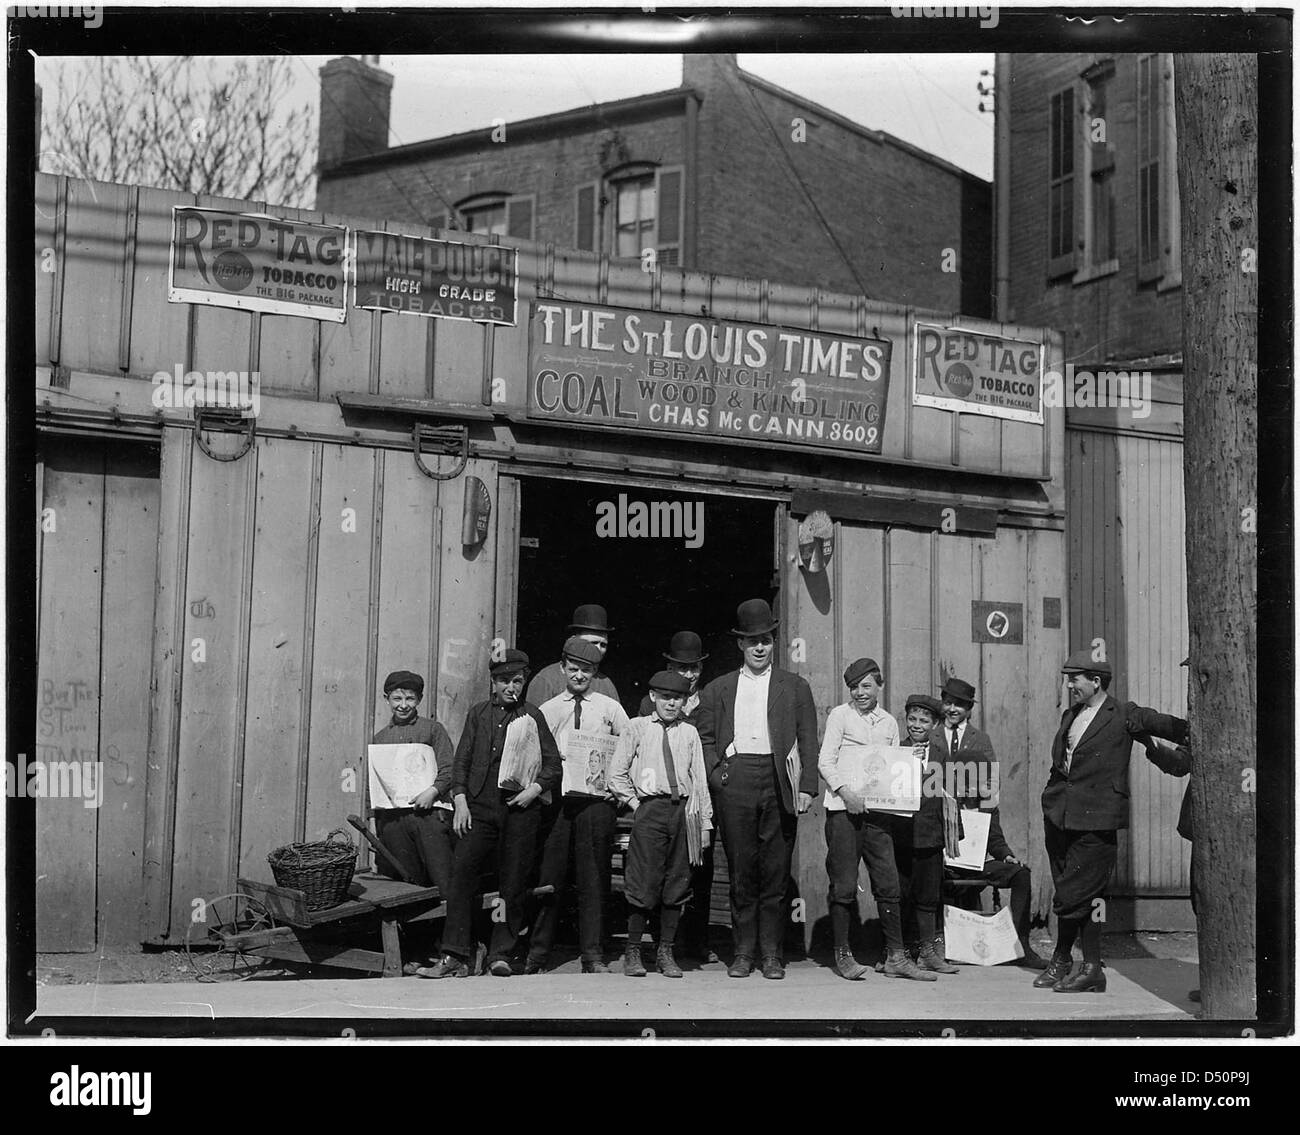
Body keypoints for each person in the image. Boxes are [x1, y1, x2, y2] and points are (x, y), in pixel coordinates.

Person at [1034, 650, 1189, 994]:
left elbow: (1173, 727)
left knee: (1082, 894)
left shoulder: (1123, 714)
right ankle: (1072, 964)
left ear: (1096, 681)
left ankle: (1080, 964)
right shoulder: (1070, 715)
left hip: (1097, 818)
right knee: (1069, 890)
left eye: (1074, 679)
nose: (1069, 685)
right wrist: (1049, 798)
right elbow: (1061, 764)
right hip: (1059, 817)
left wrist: (1197, 732)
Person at [417, 649, 561, 979]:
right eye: (505, 681)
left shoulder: (533, 716)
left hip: (519, 811)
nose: (512, 688)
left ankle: (501, 953)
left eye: (518, 681)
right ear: (493, 683)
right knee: (462, 873)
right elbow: (462, 762)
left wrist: (533, 791)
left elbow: (553, 765)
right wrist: (461, 800)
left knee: (513, 882)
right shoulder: (478, 714)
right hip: (479, 809)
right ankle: (454, 954)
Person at [696, 599, 819, 981]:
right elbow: (705, 739)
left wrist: (807, 787)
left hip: (779, 777)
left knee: (775, 872)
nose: (760, 648)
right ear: (740, 646)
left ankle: (771, 954)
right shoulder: (719, 688)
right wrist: (719, 776)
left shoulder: (794, 687)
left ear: (773, 641)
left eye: (765, 639)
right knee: (742, 871)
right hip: (737, 780)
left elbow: (808, 740)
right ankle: (743, 953)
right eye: (752, 642)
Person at [818, 660, 934, 982]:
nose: (860, 693)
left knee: (888, 882)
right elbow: (825, 761)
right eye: (854, 687)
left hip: (878, 815)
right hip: (844, 811)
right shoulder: (840, 716)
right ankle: (843, 955)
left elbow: (894, 767)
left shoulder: (888, 724)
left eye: (866, 686)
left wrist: (916, 760)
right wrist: (846, 793)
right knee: (843, 884)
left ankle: (896, 956)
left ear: (878, 686)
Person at [526, 637, 630, 974]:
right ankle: (538, 954)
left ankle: (593, 955)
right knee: (550, 876)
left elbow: (630, 743)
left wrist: (618, 787)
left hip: (596, 803)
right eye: (574, 668)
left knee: (593, 876)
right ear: (563, 667)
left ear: (595, 672)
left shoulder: (608, 707)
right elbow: (533, 752)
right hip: (557, 802)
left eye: (586, 669)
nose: (579, 675)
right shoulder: (550, 709)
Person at [609, 670, 713, 979]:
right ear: (653, 697)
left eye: (677, 698)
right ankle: (633, 951)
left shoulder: (689, 733)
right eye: (665, 697)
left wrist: (704, 823)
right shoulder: (637, 728)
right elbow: (616, 773)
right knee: (644, 881)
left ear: (685, 701)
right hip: (649, 810)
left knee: (677, 882)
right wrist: (637, 804)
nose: (671, 703)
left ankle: (666, 951)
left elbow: (700, 781)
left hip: (683, 812)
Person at [638, 631, 716, 961]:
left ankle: (695, 940)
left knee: (700, 869)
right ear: (669, 666)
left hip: (700, 797)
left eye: (694, 668)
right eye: (681, 668)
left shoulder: (709, 704)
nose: (688, 675)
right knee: (661, 870)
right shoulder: (651, 703)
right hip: (665, 800)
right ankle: (661, 941)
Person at [927, 675, 1002, 970]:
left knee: (970, 884)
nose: (953, 708)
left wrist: (983, 826)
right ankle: (937, 941)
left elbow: (991, 784)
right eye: (948, 702)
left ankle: (971, 944)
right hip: (939, 816)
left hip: (971, 818)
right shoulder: (932, 736)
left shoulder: (980, 740)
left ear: (969, 709)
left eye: (960, 704)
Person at [369, 670, 457, 894]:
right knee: (407, 882)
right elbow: (375, 783)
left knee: (443, 876)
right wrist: (373, 819)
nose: (403, 705)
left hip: (428, 816)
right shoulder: (380, 738)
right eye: (397, 698)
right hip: (394, 820)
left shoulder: (433, 730)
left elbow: (449, 769)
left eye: (410, 698)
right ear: (386, 698)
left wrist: (432, 792)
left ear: (419, 699)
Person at [893, 692, 959, 975]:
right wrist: (909, 761)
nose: (917, 725)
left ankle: (928, 952)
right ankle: (904, 952)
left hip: (930, 835)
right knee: (903, 893)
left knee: (928, 895)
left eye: (924, 720)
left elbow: (946, 796)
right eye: (912, 719)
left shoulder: (941, 753)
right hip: (904, 835)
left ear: (934, 725)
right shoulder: (898, 750)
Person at [941, 804, 1049, 969]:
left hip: (976, 865)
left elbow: (995, 839)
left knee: (1020, 874)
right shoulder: (943, 797)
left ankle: (1021, 947)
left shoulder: (986, 804)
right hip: (944, 865)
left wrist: (1006, 855)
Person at [525, 604, 620, 707]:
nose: (598, 649)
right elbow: (534, 721)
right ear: (573, 639)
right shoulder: (546, 680)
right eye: (592, 643)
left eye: (603, 645)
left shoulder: (606, 684)